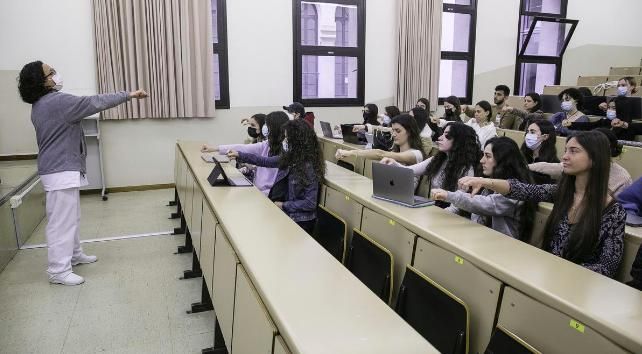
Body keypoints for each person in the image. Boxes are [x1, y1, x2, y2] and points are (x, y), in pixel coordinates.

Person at [18, 61, 148, 286]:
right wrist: (129, 95)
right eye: (51, 72)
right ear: (43, 81)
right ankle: (58, 271)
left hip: (60, 169)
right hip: (60, 170)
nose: (56, 75)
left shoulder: (41, 104)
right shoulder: (57, 102)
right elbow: (95, 102)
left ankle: (74, 254)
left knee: (72, 218)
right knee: (61, 223)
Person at [459, 131, 626, 278]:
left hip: (577, 285)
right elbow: (524, 190)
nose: (565, 156)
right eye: (566, 150)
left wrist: (561, 275)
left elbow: (606, 267)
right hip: (547, 276)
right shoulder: (562, 192)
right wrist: (484, 181)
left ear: (595, 159)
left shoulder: (614, 211)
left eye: (574, 151)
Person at [228, 119, 325, 235]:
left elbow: (310, 203)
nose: (284, 141)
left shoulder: (308, 167)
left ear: (297, 141)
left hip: (299, 221)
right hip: (286, 212)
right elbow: (264, 161)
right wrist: (239, 155)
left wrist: (283, 205)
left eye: (287, 138)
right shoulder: (291, 158)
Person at [431, 137, 536, 241]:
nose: (482, 160)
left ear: (503, 160)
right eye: (483, 155)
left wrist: (449, 195)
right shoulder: (489, 179)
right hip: (482, 238)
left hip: (502, 247)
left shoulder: (516, 189)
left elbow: (487, 204)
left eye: (488, 156)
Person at [381, 122, 480, 209]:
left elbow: (458, 206)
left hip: (450, 214)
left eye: (446, 135)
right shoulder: (438, 160)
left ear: (459, 141)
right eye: (442, 134)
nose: (440, 138)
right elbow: (409, 171)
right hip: (435, 207)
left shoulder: (466, 170)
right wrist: (393, 163)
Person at [201, 111, 289, 196]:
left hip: (266, 195)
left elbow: (264, 161)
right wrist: (214, 148)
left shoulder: (285, 150)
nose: (264, 128)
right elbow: (242, 148)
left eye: (267, 125)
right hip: (255, 189)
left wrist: (240, 155)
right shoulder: (267, 144)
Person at [530, 128, 632, 197]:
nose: (565, 157)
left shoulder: (622, 178)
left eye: (574, 151)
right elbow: (548, 167)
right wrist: (524, 167)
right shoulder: (577, 166)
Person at [336, 114, 425, 165]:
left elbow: (380, 154)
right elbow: (383, 129)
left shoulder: (416, 154)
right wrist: (363, 126)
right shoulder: (396, 152)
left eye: (398, 131)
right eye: (393, 130)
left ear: (410, 132)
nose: (393, 134)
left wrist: (351, 152)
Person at [521, 119, 559, 184]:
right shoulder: (522, 155)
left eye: (532, 132)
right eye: (527, 131)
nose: (528, 135)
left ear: (545, 136)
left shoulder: (552, 164)